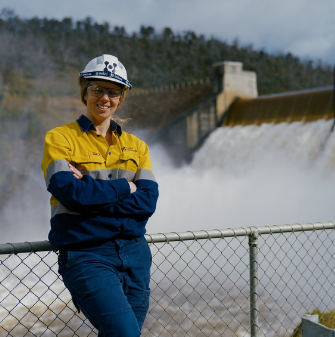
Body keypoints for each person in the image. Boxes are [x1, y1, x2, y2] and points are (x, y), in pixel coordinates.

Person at [41, 54, 159, 336]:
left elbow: (148, 201)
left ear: (121, 97)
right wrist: (125, 188)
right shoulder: (60, 138)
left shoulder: (137, 146)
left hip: (135, 253)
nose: (105, 97)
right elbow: (71, 195)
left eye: (113, 91)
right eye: (97, 88)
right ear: (85, 91)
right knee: (125, 333)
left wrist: (93, 196)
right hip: (86, 253)